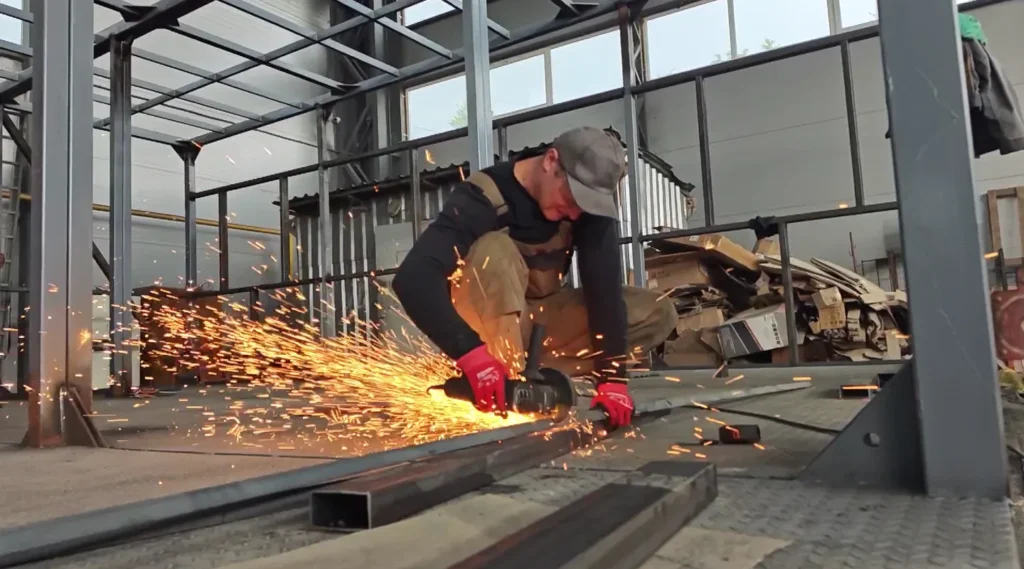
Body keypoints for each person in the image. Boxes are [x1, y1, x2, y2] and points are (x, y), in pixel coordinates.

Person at [393, 126, 677, 429]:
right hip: (485, 334)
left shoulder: (586, 209)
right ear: (550, 161)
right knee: (494, 249)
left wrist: (612, 379)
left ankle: (534, 378)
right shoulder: (484, 196)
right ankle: (500, 381)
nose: (575, 213)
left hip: (542, 327)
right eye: (571, 197)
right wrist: (471, 355)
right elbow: (413, 278)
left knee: (658, 311)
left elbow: (604, 292)